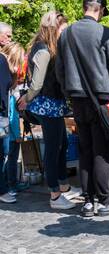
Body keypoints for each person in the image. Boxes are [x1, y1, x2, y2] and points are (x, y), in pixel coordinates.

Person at [54, 0, 109, 217]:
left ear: (84, 7)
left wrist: (69, 91)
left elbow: (59, 70)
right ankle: (105, 201)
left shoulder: (66, 34)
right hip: (103, 99)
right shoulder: (106, 33)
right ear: (100, 10)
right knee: (103, 151)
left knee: (85, 149)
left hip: (77, 99)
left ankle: (88, 202)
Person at [19, 12, 77, 209]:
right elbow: (36, 84)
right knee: (53, 149)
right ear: (53, 29)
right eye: (63, 28)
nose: (66, 32)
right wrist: (26, 99)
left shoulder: (50, 48)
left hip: (53, 104)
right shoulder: (44, 50)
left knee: (61, 143)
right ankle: (55, 195)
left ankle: (64, 186)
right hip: (47, 105)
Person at [0, 28, 23, 204]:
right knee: (4, 154)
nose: (9, 38)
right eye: (7, 34)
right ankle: (4, 189)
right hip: (2, 116)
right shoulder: (2, 62)